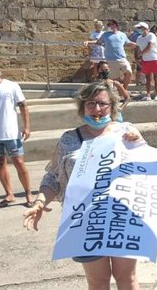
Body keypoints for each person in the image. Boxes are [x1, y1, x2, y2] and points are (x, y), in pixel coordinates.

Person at [22, 82, 145, 290]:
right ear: (82, 107)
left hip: (121, 216)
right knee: (97, 282)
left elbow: (145, 171)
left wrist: (140, 145)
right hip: (84, 221)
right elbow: (53, 177)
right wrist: (40, 202)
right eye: (90, 104)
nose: (97, 109)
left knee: (127, 278)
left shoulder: (127, 133)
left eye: (102, 104)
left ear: (112, 106)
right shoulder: (69, 140)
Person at [0, 58, 34, 208]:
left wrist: (26, 127)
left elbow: (23, 106)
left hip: (11, 134)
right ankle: (9, 194)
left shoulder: (12, 86)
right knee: (0, 164)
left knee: (19, 163)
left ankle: (28, 194)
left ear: (0, 69)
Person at [84, 19, 137, 90]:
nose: (109, 26)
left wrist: (138, 45)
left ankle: (124, 90)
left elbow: (129, 43)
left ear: (115, 25)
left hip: (122, 59)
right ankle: (121, 93)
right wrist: (88, 42)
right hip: (110, 60)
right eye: (108, 25)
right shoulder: (105, 34)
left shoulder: (122, 34)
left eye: (110, 24)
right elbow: (98, 42)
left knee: (129, 72)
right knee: (116, 78)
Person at [134, 22, 157, 101]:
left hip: (154, 59)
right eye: (138, 28)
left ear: (145, 28)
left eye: (140, 28)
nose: (139, 29)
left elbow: (149, 47)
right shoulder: (139, 38)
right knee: (148, 78)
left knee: (156, 77)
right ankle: (148, 95)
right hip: (145, 60)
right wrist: (136, 57)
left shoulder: (151, 35)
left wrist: (140, 54)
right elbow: (137, 48)